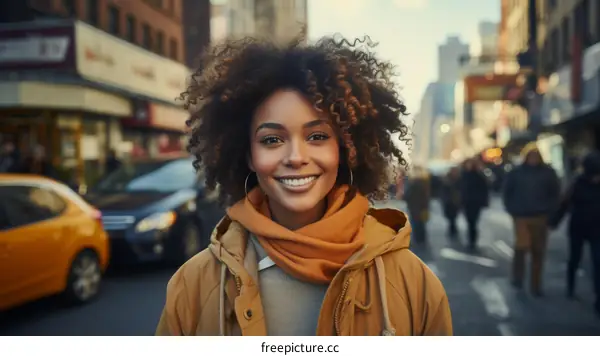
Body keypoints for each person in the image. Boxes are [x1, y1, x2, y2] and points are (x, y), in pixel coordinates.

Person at [155, 35, 452, 336]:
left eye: (317, 137)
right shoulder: (192, 286)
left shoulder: (412, 282)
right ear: (248, 155)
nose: (296, 157)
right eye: (272, 140)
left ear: (345, 150)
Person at [503, 143, 560, 297]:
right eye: (531, 156)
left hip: (540, 216)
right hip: (521, 215)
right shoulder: (517, 172)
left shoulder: (548, 173)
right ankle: (518, 278)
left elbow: (555, 193)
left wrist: (551, 212)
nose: (533, 159)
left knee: (538, 252)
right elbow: (507, 191)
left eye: (536, 156)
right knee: (521, 247)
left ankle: (536, 285)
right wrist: (511, 209)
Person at [550, 150, 600, 315]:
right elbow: (564, 203)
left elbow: (564, 203)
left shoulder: (576, 182)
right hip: (579, 227)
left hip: (592, 228)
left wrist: (555, 221)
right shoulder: (577, 183)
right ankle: (571, 287)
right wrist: (555, 221)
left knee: (597, 263)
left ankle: (597, 299)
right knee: (575, 259)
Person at [459, 158, 489, 250]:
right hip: (467, 202)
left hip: (475, 202)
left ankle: (472, 240)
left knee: (473, 221)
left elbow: (484, 190)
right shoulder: (464, 175)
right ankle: (471, 239)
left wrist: (484, 202)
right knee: (470, 221)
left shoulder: (479, 176)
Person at [404, 166, 431, 245]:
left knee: (416, 223)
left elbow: (408, 195)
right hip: (422, 206)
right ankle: (421, 240)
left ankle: (418, 240)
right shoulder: (425, 181)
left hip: (415, 206)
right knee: (421, 223)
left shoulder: (414, 183)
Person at [440, 166, 461, 240]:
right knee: (450, 216)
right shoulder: (446, 179)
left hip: (455, 201)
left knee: (453, 216)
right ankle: (452, 228)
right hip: (448, 201)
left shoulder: (459, 179)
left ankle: (453, 228)